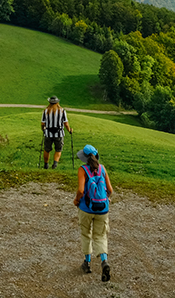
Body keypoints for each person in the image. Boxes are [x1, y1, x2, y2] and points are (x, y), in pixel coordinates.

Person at [73, 143, 114, 282]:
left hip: (86, 208)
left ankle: (87, 262)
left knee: (86, 234)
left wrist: (76, 201)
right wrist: (106, 199)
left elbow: (80, 190)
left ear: (84, 158)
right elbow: (110, 190)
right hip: (103, 209)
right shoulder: (102, 169)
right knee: (101, 235)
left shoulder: (82, 170)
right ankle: (104, 261)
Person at [41, 96, 72, 169]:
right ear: (57, 102)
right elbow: (66, 123)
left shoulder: (45, 111)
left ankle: (46, 165)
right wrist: (69, 130)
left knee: (47, 149)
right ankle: (55, 164)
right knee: (58, 149)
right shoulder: (62, 111)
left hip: (48, 133)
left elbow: (42, 123)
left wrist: (43, 129)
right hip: (59, 133)